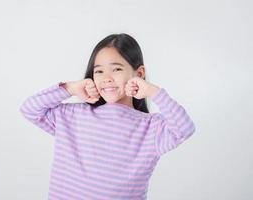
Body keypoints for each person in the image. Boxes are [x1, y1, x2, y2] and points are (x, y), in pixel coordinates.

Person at [19, 33, 196, 200]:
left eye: (116, 69)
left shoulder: (151, 128)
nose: (106, 78)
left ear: (139, 74)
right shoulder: (73, 116)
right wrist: (70, 88)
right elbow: (30, 109)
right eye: (99, 71)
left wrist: (153, 92)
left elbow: (184, 129)